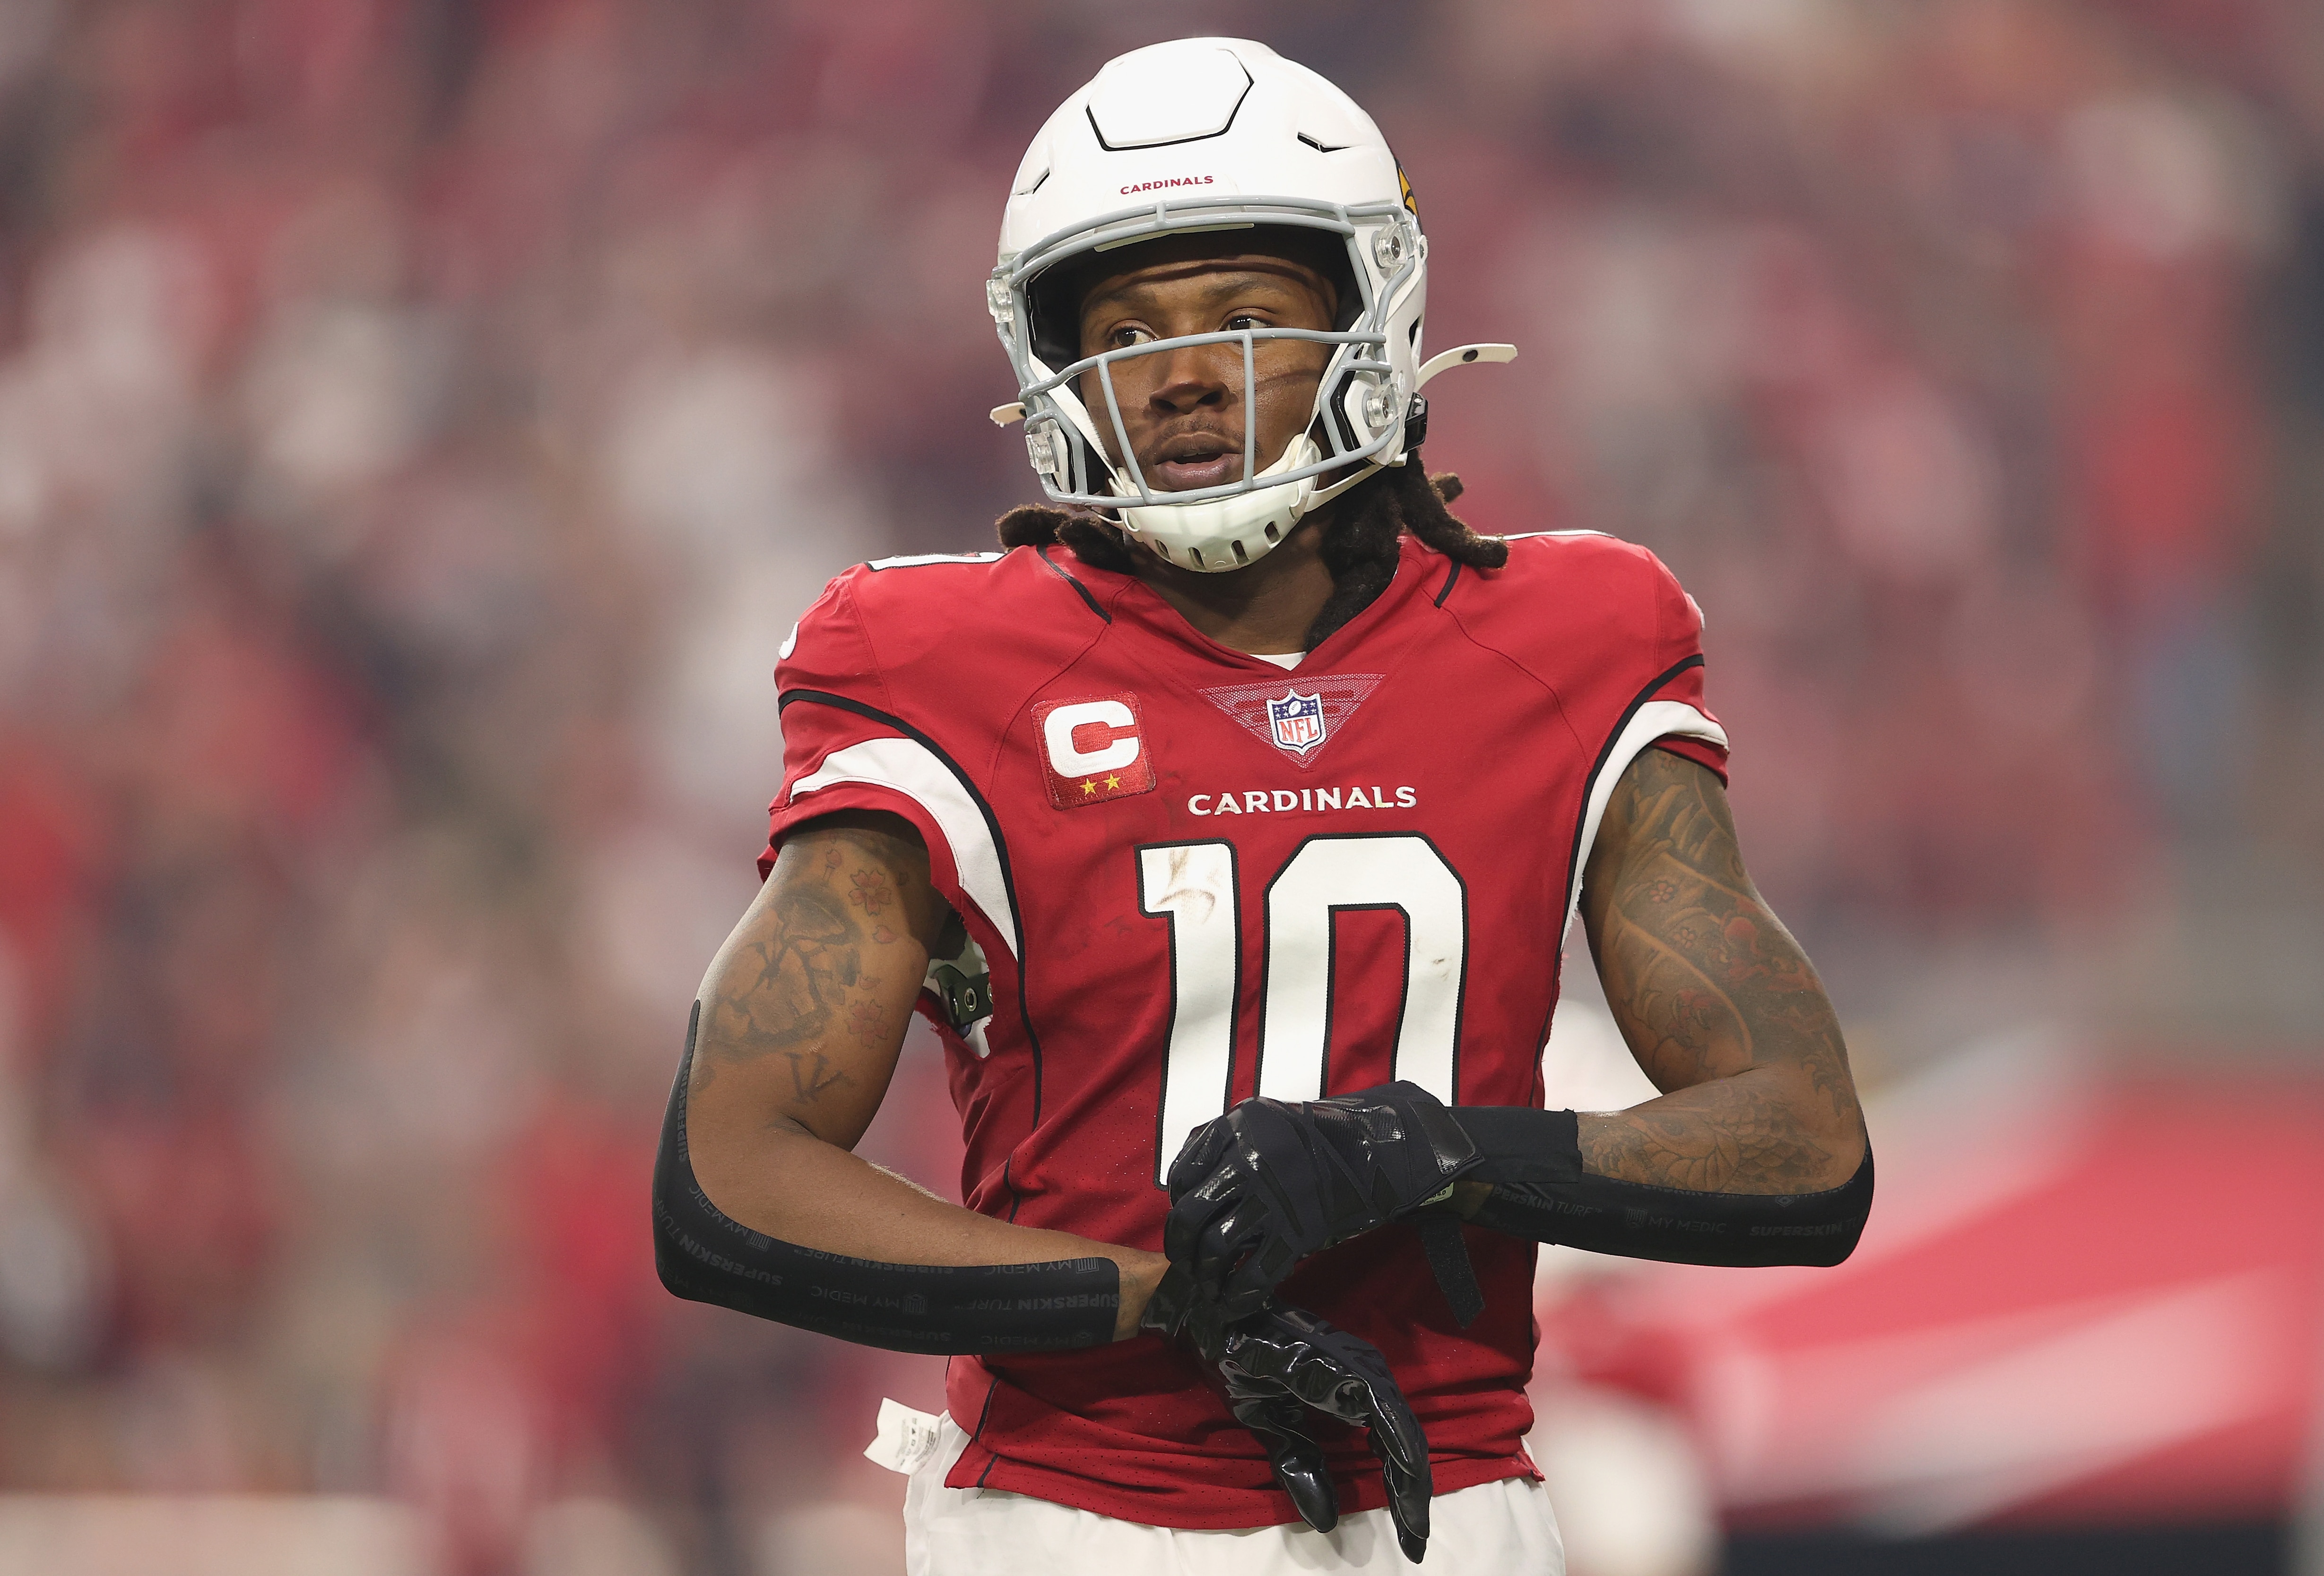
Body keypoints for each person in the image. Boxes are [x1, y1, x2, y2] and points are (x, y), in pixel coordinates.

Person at [652, 37, 1871, 1576]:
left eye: (1240, 317)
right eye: (1126, 328)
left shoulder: (1573, 635)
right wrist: (1159, 1297)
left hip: (1456, 1506)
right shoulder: (936, 661)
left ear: (1370, 316)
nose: (1173, 375)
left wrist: (1425, 1153)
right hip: (1069, 1518)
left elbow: (1805, 1144)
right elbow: (725, 1176)